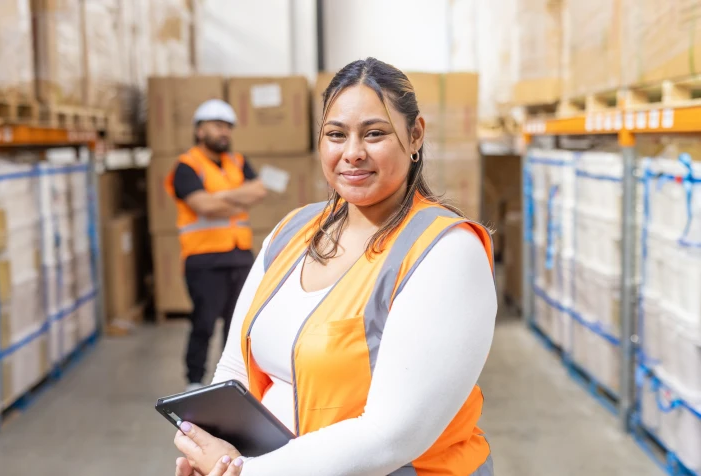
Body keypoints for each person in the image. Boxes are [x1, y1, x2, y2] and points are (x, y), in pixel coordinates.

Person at [173, 58, 497, 475]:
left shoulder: (446, 252)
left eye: (374, 133)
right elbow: (234, 367)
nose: (352, 153)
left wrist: (246, 472)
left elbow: (390, 437)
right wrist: (212, 449)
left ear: (415, 135)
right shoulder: (292, 232)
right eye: (336, 134)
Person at [165, 99, 267, 392]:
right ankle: (194, 381)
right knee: (204, 323)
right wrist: (236, 196)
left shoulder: (237, 161)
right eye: (217, 125)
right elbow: (202, 206)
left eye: (227, 127)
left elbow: (259, 190)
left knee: (238, 326)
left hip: (240, 255)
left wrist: (218, 198)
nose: (224, 132)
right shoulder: (186, 167)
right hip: (204, 259)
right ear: (199, 131)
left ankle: (230, 380)